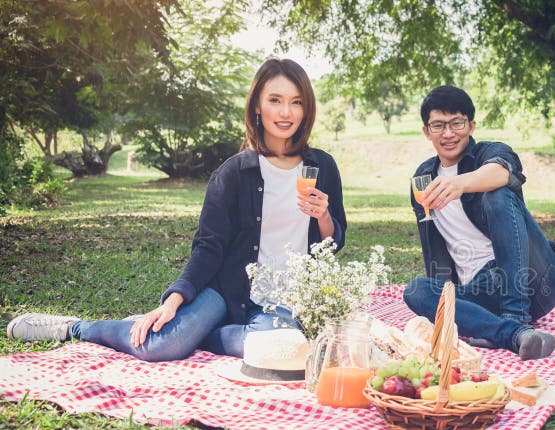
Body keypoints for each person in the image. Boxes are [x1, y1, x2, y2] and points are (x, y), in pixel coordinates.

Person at [6, 58, 346, 361]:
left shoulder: (322, 167)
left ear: (306, 109)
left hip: (284, 301)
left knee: (285, 350)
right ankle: (76, 327)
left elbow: (335, 242)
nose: (286, 113)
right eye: (275, 100)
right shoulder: (234, 172)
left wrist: (323, 217)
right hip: (227, 289)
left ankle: (193, 335)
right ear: (258, 106)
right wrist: (174, 299)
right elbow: (208, 246)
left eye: (295, 102)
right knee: (157, 346)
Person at [402, 85, 555, 360]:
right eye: (439, 125)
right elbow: (433, 247)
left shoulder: (490, 152)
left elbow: (502, 172)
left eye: (457, 123)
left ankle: (517, 314)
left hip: (531, 279)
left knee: (498, 194)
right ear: (426, 131)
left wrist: (459, 184)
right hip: (480, 291)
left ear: (471, 125)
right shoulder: (423, 178)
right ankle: (515, 335)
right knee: (417, 291)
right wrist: (441, 298)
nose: (449, 133)